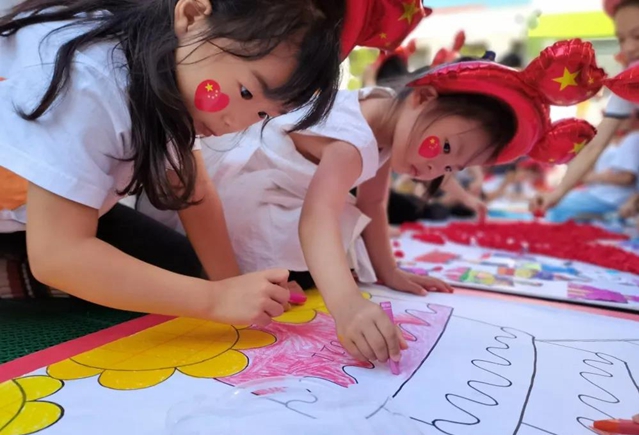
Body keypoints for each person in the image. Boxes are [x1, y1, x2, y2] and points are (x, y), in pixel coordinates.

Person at [141, 39, 604, 363]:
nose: (435, 171)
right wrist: (348, 307)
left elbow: (376, 204)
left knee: (341, 238)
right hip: (232, 191)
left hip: (281, 196)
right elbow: (315, 218)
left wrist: (389, 272)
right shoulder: (353, 138)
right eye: (443, 150)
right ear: (422, 98)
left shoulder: (387, 118)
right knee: (320, 249)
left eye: (450, 169)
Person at [0, 0, 423, 322]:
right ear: (194, 13)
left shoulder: (175, 77)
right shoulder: (92, 79)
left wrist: (229, 282)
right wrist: (216, 300)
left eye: (262, 115)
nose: (235, 123)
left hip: (58, 211)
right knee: (137, 288)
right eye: (244, 92)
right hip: (26, 218)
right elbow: (58, 255)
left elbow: (195, 192)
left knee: (179, 274)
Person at [530, 0, 639, 213]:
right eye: (621, 39)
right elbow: (595, 145)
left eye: (638, 36)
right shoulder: (627, 83)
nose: (628, 48)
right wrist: (558, 193)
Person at [546, 117, 639, 222]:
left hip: (611, 197)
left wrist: (592, 177)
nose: (609, 119)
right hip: (600, 193)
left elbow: (627, 177)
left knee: (558, 206)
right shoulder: (617, 139)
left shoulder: (634, 138)